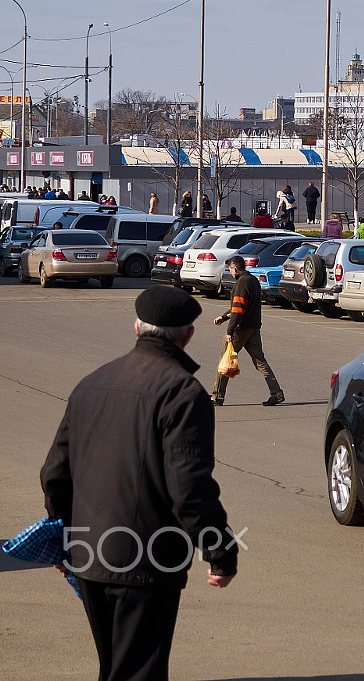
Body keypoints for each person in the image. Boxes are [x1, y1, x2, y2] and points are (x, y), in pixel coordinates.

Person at [40, 286, 239, 681]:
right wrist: (219, 550)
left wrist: (64, 539)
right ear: (188, 336)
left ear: (136, 327)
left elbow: (54, 474)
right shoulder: (183, 393)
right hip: (146, 561)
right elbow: (189, 487)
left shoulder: (92, 383)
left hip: (89, 556)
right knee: (139, 672)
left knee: (115, 667)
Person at [212, 256, 284, 406]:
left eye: (230, 269)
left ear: (235, 269)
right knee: (260, 362)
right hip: (254, 328)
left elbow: (238, 310)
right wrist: (224, 317)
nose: (230, 272)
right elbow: (240, 307)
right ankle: (276, 393)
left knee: (225, 360)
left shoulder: (241, 283)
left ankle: (217, 396)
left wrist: (229, 331)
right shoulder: (253, 280)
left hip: (241, 329)